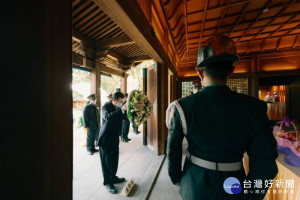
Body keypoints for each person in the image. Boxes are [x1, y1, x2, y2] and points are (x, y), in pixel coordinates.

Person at [166, 35, 278, 200]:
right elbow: (266, 161)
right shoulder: (254, 108)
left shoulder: (182, 107)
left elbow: (173, 152)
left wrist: (179, 180)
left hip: (195, 185)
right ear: (231, 70)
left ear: (199, 72)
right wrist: (251, 195)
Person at [98, 92, 127, 194]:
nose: (121, 104)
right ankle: (108, 183)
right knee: (106, 162)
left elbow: (121, 118)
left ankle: (113, 177)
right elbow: (108, 117)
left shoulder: (118, 107)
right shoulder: (106, 106)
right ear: (114, 100)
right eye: (120, 102)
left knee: (114, 160)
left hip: (115, 137)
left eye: (122, 102)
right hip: (105, 138)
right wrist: (121, 110)